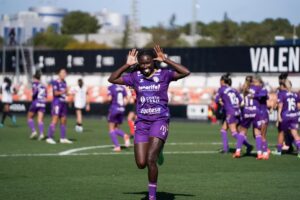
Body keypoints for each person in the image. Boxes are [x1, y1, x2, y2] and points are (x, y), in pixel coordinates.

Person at [108, 45, 190, 200]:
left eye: (148, 63)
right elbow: (112, 79)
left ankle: (152, 196)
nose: (145, 66)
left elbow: (185, 72)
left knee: (151, 159)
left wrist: (165, 60)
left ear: (153, 62)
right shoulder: (134, 77)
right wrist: (127, 65)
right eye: (142, 63)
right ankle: (159, 151)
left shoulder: (164, 74)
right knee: (141, 163)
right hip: (142, 124)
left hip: (160, 120)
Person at [215, 74, 252, 157]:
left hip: (230, 112)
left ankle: (248, 145)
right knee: (223, 129)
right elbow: (240, 100)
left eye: (220, 81)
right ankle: (225, 148)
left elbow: (217, 100)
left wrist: (224, 103)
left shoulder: (221, 89)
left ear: (222, 81)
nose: (219, 83)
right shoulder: (234, 90)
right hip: (237, 111)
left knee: (234, 132)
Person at [46, 68, 72, 144]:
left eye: (65, 73)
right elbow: (55, 93)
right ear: (59, 74)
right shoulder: (55, 82)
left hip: (63, 103)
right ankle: (49, 137)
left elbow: (64, 93)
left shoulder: (64, 82)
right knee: (55, 119)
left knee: (64, 120)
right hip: (57, 103)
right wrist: (65, 91)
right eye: (62, 73)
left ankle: (63, 138)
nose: (64, 74)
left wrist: (70, 93)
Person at [276, 79, 300, 158]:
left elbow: (280, 106)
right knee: (295, 133)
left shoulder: (281, 94)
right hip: (294, 115)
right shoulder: (295, 94)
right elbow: (298, 106)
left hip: (285, 116)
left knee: (281, 132)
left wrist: (279, 116)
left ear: (284, 86)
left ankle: (279, 151)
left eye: (281, 85)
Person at [107, 84, 131, 152]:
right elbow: (127, 98)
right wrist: (123, 106)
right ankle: (125, 136)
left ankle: (117, 146)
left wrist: (108, 102)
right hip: (122, 109)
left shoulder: (111, 87)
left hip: (114, 108)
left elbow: (109, 98)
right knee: (116, 128)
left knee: (111, 129)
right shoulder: (122, 87)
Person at [27, 71, 47, 140]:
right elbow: (45, 95)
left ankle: (33, 131)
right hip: (43, 103)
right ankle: (41, 134)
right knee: (40, 120)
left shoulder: (35, 84)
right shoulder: (43, 85)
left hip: (36, 102)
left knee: (29, 117)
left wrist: (33, 96)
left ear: (35, 78)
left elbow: (35, 92)